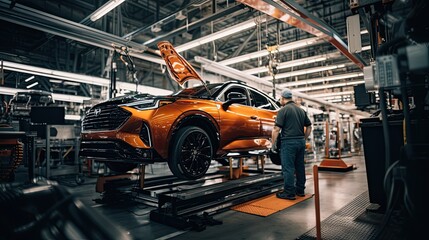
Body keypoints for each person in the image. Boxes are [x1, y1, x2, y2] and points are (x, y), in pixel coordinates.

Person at [271, 88, 312, 200]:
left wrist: (273, 144)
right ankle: (300, 190)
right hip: (300, 142)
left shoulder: (283, 111)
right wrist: (304, 138)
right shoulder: (301, 110)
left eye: (280, 98)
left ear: (283, 98)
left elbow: (276, 129)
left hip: (288, 143)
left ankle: (289, 193)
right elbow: (309, 127)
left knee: (288, 168)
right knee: (299, 166)